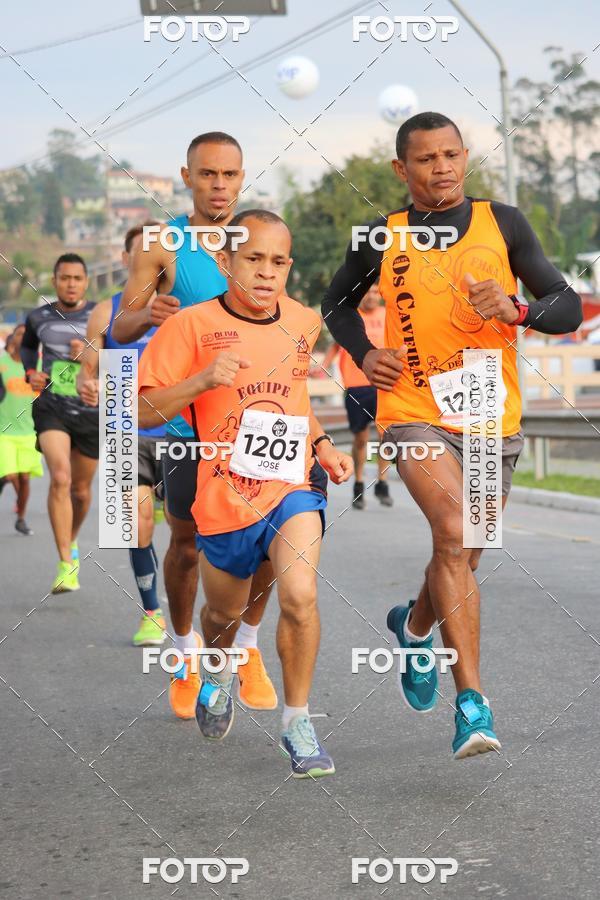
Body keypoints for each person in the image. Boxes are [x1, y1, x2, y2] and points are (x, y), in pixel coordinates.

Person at [322, 112, 583, 759]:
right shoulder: (381, 235)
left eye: (451, 154)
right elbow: (337, 303)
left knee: (465, 550)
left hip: (490, 412)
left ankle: (414, 630)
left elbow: (567, 305)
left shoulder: (505, 224)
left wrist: (519, 309)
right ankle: (472, 704)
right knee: (455, 528)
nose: (441, 167)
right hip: (413, 409)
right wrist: (364, 353)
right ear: (401, 168)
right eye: (425, 158)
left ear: (465, 156)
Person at [138, 210, 353, 777]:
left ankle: (298, 722)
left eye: (278, 262)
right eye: (253, 259)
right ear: (225, 260)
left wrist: (323, 444)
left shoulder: (303, 321)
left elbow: (295, 400)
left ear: (289, 267)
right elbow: (140, 409)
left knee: (300, 595)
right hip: (223, 496)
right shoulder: (189, 325)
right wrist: (202, 380)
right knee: (222, 613)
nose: (266, 272)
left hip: (292, 485)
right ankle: (216, 667)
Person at [111, 132, 278, 717]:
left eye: (229, 175)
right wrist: (146, 315)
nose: (219, 185)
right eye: (208, 174)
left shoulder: (259, 238)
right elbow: (121, 327)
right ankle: (184, 652)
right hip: (188, 425)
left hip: (254, 419)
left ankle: (247, 646)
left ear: (242, 177)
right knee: (184, 545)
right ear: (187, 177)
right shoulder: (162, 243)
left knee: (267, 543)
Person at [77, 222, 168, 646]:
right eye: (141, 251)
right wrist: (88, 382)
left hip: (182, 428)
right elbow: (89, 365)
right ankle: (152, 612)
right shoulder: (107, 310)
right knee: (137, 521)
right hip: (125, 427)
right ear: (126, 258)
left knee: (192, 537)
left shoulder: (186, 304)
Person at [21, 253, 99, 594]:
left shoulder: (101, 317)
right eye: (64, 278)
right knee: (61, 478)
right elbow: (28, 347)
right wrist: (31, 372)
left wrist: (90, 356)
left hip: (91, 411)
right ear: (54, 281)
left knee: (80, 491)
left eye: (77, 278)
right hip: (51, 407)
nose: (70, 284)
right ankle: (66, 564)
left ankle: (72, 538)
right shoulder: (38, 317)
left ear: (86, 282)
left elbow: (123, 358)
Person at [321, 282, 392, 509]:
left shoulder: (388, 314)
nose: (371, 296)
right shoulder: (350, 316)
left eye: (375, 292)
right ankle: (359, 483)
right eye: (367, 292)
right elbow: (336, 345)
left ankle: (382, 483)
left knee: (385, 436)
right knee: (361, 438)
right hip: (356, 386)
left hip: (384, 384)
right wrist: (323, 366)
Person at [0, 324, 43, 533]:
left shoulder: (39, 365)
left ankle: (21, 518)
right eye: (19, 334)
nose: (23, 337)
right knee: (10, 474)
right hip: (4, 431)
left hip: (29, 431)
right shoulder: (2, 363)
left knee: (25, 478)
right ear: (12, 339)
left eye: (27, 335)